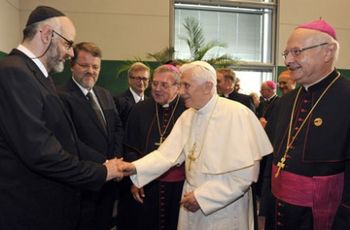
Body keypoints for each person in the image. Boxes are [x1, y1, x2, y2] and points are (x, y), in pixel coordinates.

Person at [0, 6, 123, 230]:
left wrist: (105, 163)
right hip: (28, 212)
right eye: (68, 43)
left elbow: (66, 140)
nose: (71, 53)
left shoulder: (36, 74)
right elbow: (41, 152)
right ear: (47, 34)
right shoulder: (14, 73)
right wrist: (101, 172)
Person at [121, 61, 273, 230]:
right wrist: (134, 167)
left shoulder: (237, 114)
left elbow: (245, 174)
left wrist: (203, 198)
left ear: (208, 86)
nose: (180, 92)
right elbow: (166, 154)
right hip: (190, 198)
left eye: (186, 86)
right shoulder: (188, 116)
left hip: (225, 207)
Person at [267, 19, 350, 229]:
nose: (288, 60)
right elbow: (274, 159)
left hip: (324, 217)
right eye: (286, 53)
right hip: (279, 210)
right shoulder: (286, 101)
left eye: (297, 52)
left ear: (327, 52)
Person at [57, 42, 124, 230]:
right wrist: (105, 164)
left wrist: (116, 160)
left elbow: (117, 127)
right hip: (83, 183)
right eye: (84, 66)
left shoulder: (104, 94)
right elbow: (69, 140)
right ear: (72, 65)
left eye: (95, 67)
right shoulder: (60, 96)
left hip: (108, 184)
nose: (90, 71)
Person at [118, 64, 187, 230]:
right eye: (155, 83)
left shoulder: (187, 110)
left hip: (179, 187)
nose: (157, 89)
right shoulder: (140, 109)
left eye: (164, 85)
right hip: (146, 184)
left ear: (177, 87)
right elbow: (130, 148)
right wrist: (137, 178)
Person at [114, 62, 150, 126]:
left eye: (144, 79)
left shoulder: (150, 102)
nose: (141, 82)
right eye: (138, 78)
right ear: (129, 79)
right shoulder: (119, 101)